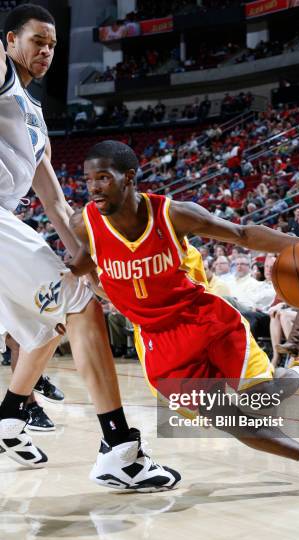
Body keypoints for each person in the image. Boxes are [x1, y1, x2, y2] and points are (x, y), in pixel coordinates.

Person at [68, 139, 299, 500]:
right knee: (233, 421)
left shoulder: (173, 214)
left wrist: (298, 244)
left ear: (128, 178)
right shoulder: (85, 223)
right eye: (88, 180)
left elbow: (240, 234)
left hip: (205, 319)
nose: (93, 188)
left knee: (260, 399)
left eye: (102, 178)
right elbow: (81, 262)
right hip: (159, 342)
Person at [0, 4, 179, 491]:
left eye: (53, 45)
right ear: (10, 40)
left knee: (44, 331)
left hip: (5, 221)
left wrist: (82, 256)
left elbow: (55, 200)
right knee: (79, 308)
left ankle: (9, 419)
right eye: (37, 40)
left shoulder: (33, 115)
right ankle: (119, 450)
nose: (47, 51)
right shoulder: (1, 73)